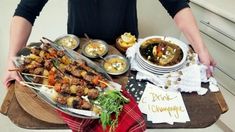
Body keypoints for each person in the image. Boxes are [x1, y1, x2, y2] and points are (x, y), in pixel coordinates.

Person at [3, 0, 215, 87]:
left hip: (127, 61)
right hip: (78, 63)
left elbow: (176, 4)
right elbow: (26, 10)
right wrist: (13, 62)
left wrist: (202, 49)